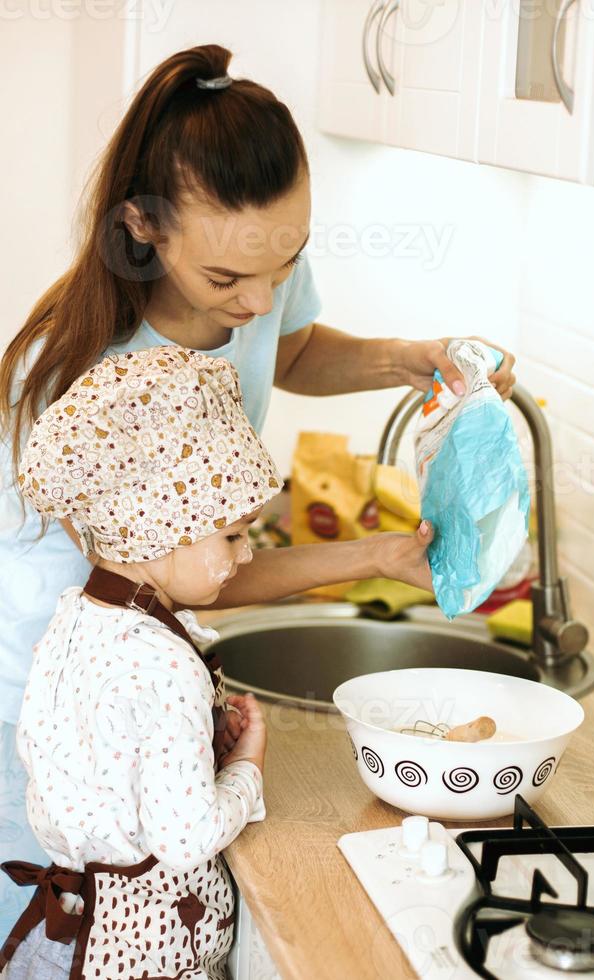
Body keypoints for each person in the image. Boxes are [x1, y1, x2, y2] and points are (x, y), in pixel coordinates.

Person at [0, 42, 515, 936]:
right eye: (228, 281)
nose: (257, 299)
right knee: (79, 934)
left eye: (285, 266)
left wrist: (409, 358)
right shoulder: (107, 374)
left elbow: (288, 344)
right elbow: (207, 578)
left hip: (156, 641)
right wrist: (383, 557)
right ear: (142, 227)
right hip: (65, 697)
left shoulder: (252, 263)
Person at [0, 347, 285, 979]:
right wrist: (246, 771)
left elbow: (108, 764)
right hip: (150, 948)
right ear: (156, 529)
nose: (244, 556)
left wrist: (200, 745)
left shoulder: (76, 617)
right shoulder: (164, 662)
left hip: (75, 929)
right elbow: (185, 839)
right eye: (233, 535)